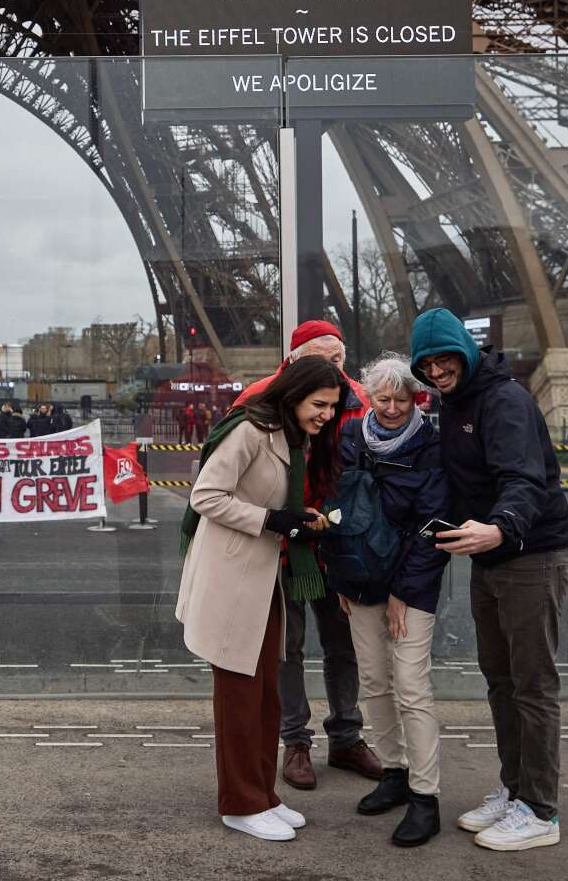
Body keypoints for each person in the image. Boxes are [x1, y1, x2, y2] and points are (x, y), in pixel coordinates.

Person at [410, 308, 568, 852]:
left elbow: (524, 481)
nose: (435, 371)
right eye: (426, 364)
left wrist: (499, 529)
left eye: (444, 359)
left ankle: (541, 811)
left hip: (530, 554)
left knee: (532, 685)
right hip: (491, 554)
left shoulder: (504, 402)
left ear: (466, 352)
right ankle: (516, 790)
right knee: (501, 681)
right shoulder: (455, 402)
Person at [177, 356, 348, 842]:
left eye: (333, 406)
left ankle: (263, 795)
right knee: (238, 698)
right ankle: (239, 802)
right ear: (294, 396)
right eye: (320, 404)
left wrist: (294, 516)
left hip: (260, 579)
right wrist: (273, 520)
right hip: (233, 579)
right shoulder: (250, 431)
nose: (327, 415)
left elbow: (268, 500)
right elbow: (205, 496)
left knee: (265, 694)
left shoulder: (290, 435)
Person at [234, 319, 380, 791]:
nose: (331, 370)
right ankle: (295, 739)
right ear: (295, 359)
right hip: (283, 540)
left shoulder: (359, 401)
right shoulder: (258, 399)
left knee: (344, 644)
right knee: (286, 646)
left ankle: (345, 735)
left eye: (337, 360)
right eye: (320, 360)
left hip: (339, 541)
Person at [325, 352, 450, 847]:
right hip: (359, 579)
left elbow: (433, 523)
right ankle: (393, 771)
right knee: (374, 680)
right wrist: (339, 578)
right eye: (384, 399)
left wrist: (404, 591)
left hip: (409, 583)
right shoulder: (351, 436)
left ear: (417, 398)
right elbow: (335, 506)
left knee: (412, 686)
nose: (393, 408)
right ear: (369, 398)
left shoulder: (429, 445)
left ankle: (425, 796)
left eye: (403, 398)